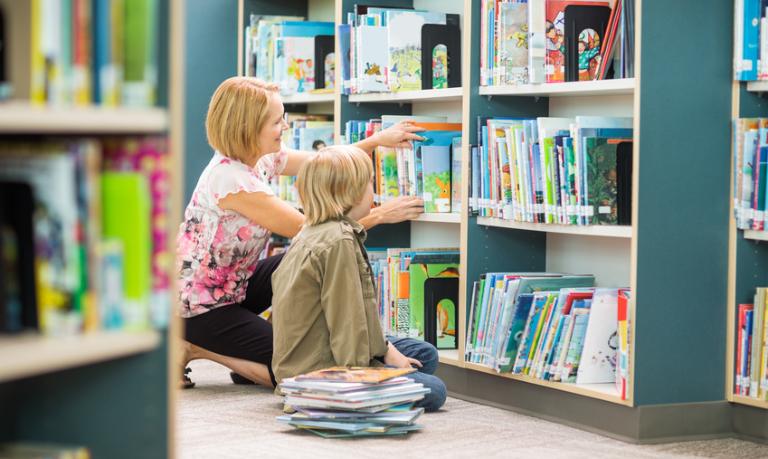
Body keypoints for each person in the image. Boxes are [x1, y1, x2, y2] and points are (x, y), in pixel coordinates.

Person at [179, 77, 425, 388]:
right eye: (276, 120)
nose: (284, 126)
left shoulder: (262, 158)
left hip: (234, 286)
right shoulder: (232, 181)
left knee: (293, 261)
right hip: (199, 307)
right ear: (247, 128)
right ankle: (196, 347)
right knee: (293, 368)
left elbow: (324, 164)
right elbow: (315, 235)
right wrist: (380, 215)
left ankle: (246, 346)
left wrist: (376, 141)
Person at [270, 145, 446, 412]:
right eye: (370, 183)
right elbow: (347, 322)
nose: (373, 192)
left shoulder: (315, 230)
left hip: (308, 354)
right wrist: (366, 375)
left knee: (425, 354)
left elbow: (356, 313)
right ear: (349, 193)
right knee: (435, 391)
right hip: (320, 371)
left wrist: (386, 349)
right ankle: (326, 398)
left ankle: (369, 374)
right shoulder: (338, 241)